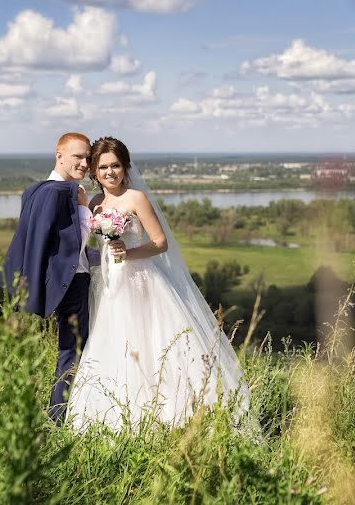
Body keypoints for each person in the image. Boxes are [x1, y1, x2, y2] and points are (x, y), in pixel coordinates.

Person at [67, 137, 250, 432]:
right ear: (94, 172)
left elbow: (160, 243)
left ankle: (173, 415)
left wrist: (129, 253)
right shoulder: (95, 203)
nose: (110, 172)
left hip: (142, 281)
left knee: (151, 342)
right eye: (103, 167)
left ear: (125, 168)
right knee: (115, 344)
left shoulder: (136, 198)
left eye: (115, 165)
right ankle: (119, 418)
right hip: (112, 284)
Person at [2, 132, 101, 425]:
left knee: (72, 349)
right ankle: (58, 418)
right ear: (59, 155)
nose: (84, 163)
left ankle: (71, 412)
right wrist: (84, 207)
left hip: (60, 281)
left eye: (87, 158)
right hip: (72, 283)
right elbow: (73, 245)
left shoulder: (35, 190)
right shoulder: (63, 193)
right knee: (73, 350)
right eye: (77, 156)